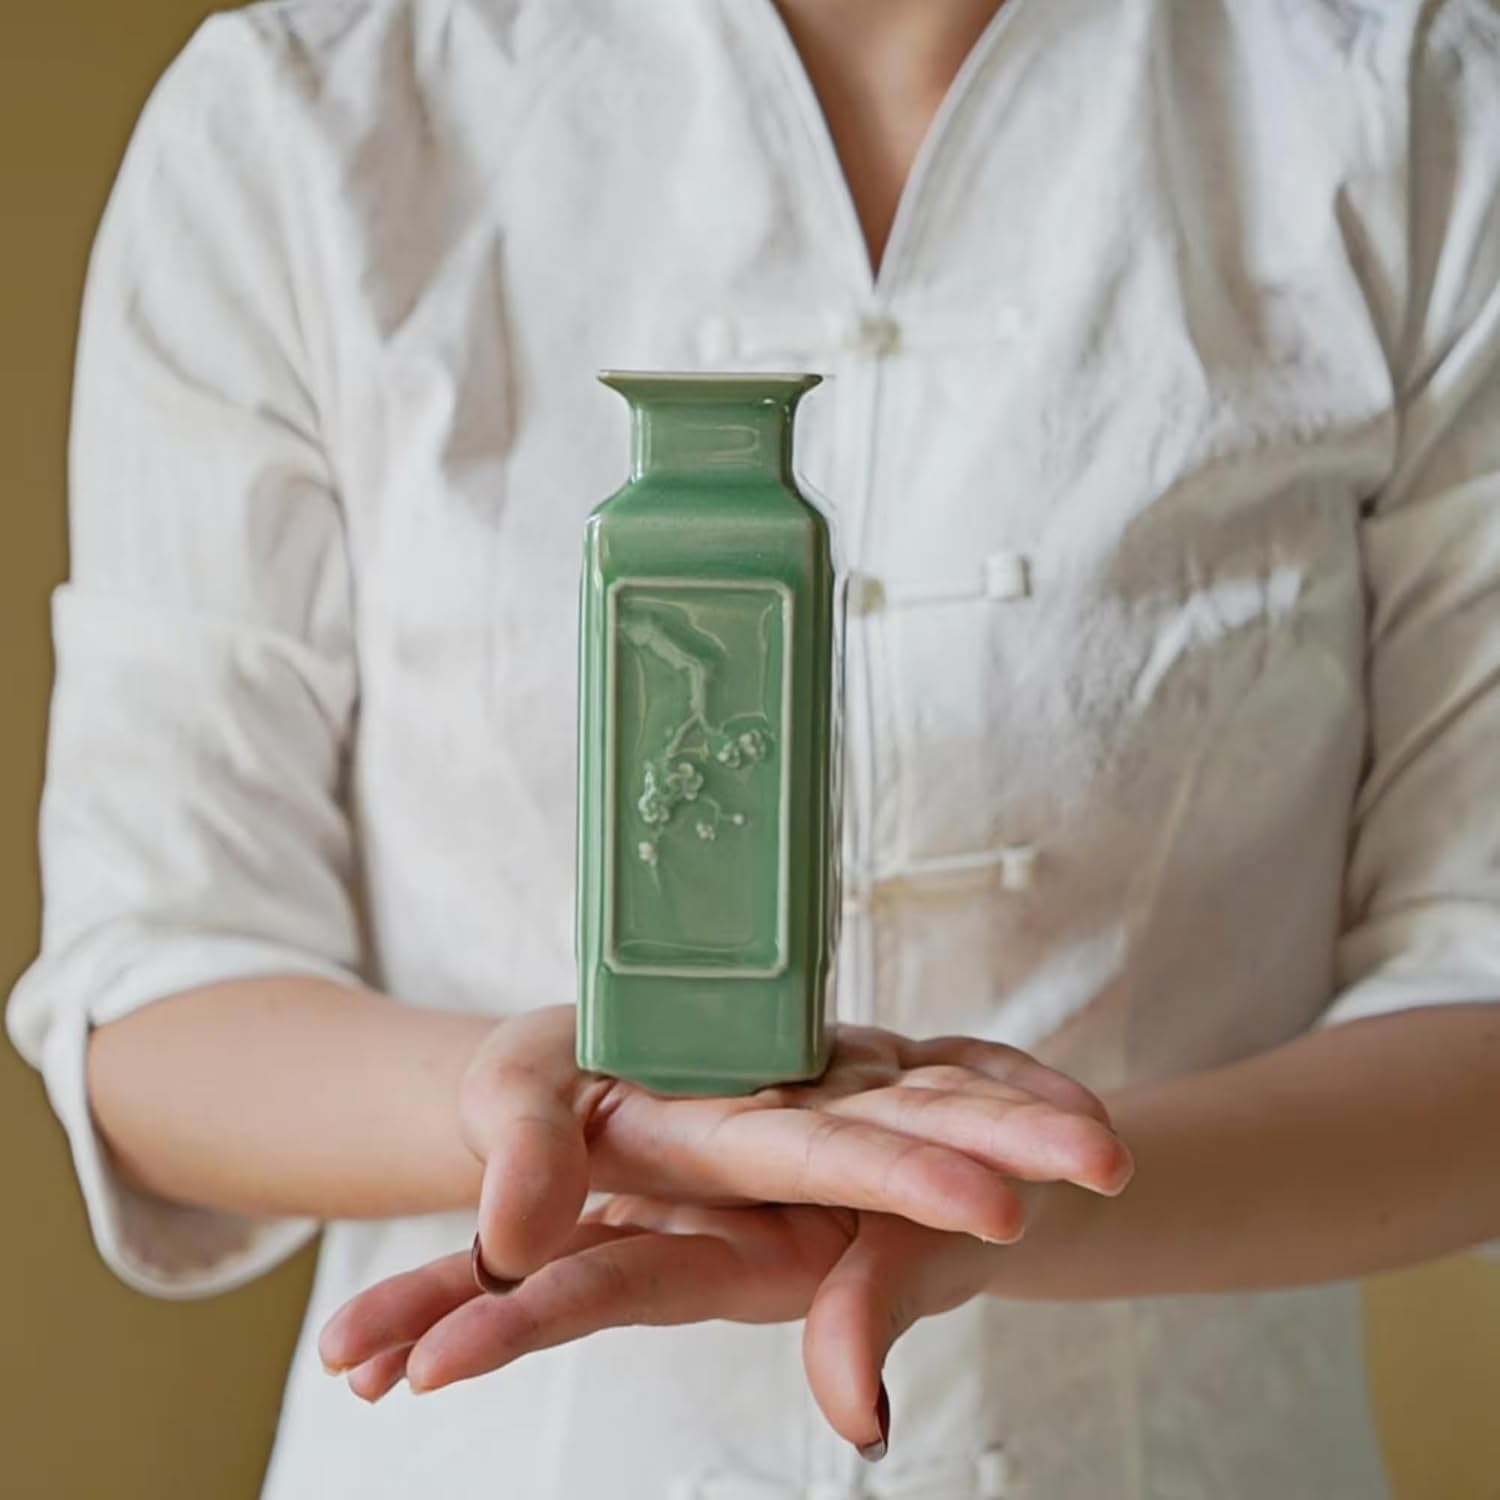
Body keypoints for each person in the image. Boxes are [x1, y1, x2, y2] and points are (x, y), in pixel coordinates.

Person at [9, 0, 1500, 1495]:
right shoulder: (308, 109)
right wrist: (525, 1110)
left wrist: (1032, 1198)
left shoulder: (1417, 100)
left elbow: (1477, 966)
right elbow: (155, 985)